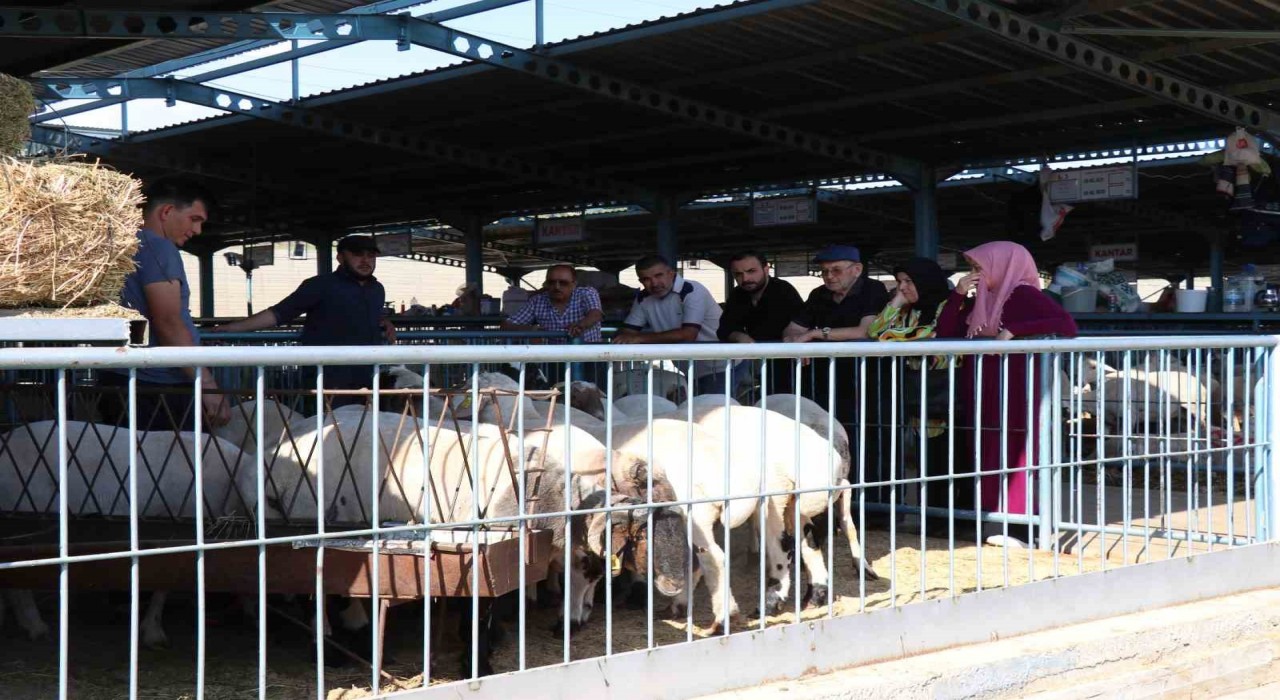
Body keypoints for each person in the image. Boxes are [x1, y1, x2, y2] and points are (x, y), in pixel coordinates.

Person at [935, 241, 1078, 548]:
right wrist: (957, 294)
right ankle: (994, 520)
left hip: (1014, 386)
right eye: (973, 268)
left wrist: (1013, 330)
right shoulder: (981, 301)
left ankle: (1021, 526)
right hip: (983, 386)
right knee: (986, 451)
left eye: (979, 268)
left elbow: (1065, 324)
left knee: (1016, 451)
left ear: (1003, 265)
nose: (974, 274)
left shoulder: (1022, 294)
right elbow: (946, 332)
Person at [100, 177, 231, 432]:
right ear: (167, 212)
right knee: (184, 467)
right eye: (195, 219)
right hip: (159, 387)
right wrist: (208, 387)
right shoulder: (159, 248)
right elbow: (168, 321)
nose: (198, 231)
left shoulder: (121, 245)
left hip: (121, 377)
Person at [210, 235, 395, 409]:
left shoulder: (377, 289)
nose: (365, 261)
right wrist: (232, 328)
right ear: (340, 257)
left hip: (367, 375)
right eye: (357, 255)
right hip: (327, 376)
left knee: (362, 430)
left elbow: (367, 314)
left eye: (370, 256)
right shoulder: (319, 285)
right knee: (325, 430)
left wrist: (384, 321)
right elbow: (278, 314)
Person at [783, 244, 891, 500]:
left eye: (836, 270)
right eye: (825, 271)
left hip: (870, 381)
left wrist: (814, 334)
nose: (829, 276)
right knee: (831, 439)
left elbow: (865, 331)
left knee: (873, 439)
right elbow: (790, 330)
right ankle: (835, 503)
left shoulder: (873, 290)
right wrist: (795, 344)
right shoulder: (819, 294)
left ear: (857, 269)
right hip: (830, 381)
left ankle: (879, 504)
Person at [868, 257, 969, 532]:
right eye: (899, 282)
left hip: (952, 392)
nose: (903, 288)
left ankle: (960, 521)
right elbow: (876, 332)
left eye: (908, 282)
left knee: (957, 459)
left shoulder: (951, 304)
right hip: (920, 395)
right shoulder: (907, 310)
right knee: (929, 461)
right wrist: (896, 303)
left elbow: (934, 334)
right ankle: (933, 519)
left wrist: (894, 337)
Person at [614, 255, 725, 395]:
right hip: (691, 368)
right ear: (640, 281)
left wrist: (639, 338)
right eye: (646, 279)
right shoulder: (643, 298)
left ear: (672, 273)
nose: (654, 283)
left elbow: (688, 334)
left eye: (658, 275)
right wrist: (626, 337)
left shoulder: (692, 290)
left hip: (723, 365)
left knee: (713, 411)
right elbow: (627, 332)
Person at [717, 251, 804, 396]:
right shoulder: (737, 294)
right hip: (762, 366)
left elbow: (800, 324)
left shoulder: (783, 291)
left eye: (751, 271)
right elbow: (724, 329)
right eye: (738, 274)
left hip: (792, 365)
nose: (745, 278)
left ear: (766, 269)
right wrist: (739, 336)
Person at [500, 265, 604, 342]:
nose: (557, 287)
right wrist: (531, 330)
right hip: (553, 362)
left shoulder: (587, 293)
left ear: (574, 284)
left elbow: (595, 314)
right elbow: (507, 325)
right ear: (546, 284)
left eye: (563, 283)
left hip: (589, 359)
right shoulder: (537, 301)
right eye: (551, 282)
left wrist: (580, 325)